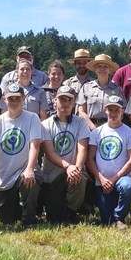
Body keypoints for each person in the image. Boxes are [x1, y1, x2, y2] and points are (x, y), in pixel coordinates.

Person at [0, 84, 42, 228]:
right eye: (10, 98)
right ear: (4, 100)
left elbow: (35, 145)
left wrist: (30, 168)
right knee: (8, 219)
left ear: (23, 99)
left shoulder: (32, 118)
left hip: (24, 170)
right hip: (4, 176)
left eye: (17, 98)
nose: (13, 101)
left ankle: (29, 218)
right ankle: (18, 208)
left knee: (32, 178)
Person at [86, 95, 131, 230]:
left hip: (121, 179)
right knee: (106, 221)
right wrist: (102, 179)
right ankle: (111, 216)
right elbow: (89, 159)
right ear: (105, 110)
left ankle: (120, 217)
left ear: (122, 111)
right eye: (110, 110)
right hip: (101, 182)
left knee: (127, 186)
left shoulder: (130, 133)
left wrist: (114, 179)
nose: (113, 113)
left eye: (117, 110)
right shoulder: (96, 133)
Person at [41, 86, 90, 224]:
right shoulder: (45, 124)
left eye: (70, 100)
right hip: (52, 175)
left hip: (73, 171)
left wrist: (77, 168)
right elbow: (49, 153)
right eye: (62, 99)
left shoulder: (80, 122)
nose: (66, 103)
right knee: (54, 218)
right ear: (55, 101)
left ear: (74, 103)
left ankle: (71, 212)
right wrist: (68, 166)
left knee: (80, 177)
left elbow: (82, 147)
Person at [77, 54, 125, 130]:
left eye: (105, 66)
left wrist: (111, 127)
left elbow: (122, 111)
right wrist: (92, 127)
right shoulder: (86, 87)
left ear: (110, 70)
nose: (102, 69)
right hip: (89, 128)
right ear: (95, 69)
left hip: (111, 128)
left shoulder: (117, 89)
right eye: (99, 66)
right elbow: (81, 111)